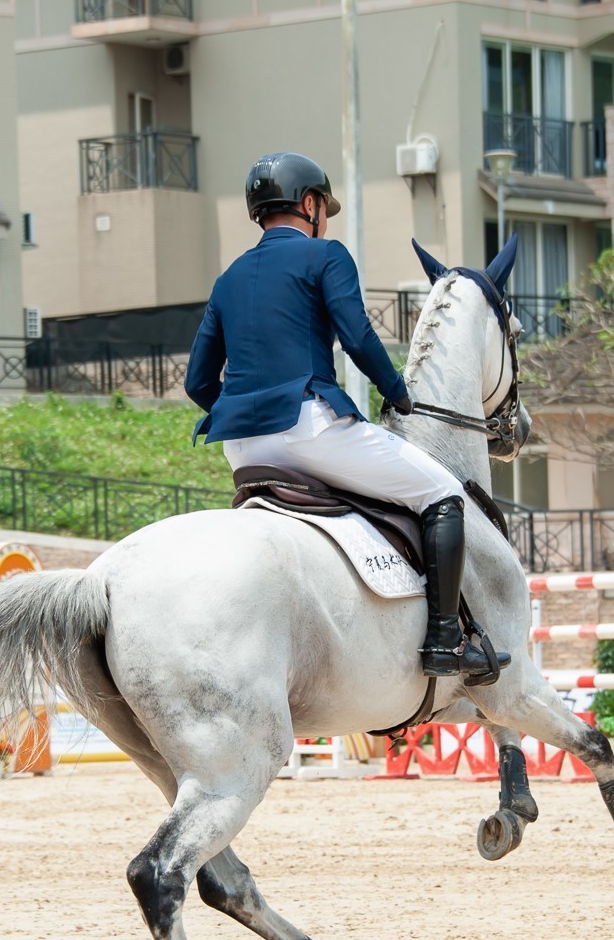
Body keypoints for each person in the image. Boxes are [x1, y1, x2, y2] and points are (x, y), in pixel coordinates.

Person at [184, 151, 509, 681]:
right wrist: (396, 391)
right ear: (309, 204)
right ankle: (445, 643)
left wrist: (243, 413)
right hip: (311, 430)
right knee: (443, 493)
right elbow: (357, 336)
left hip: (242, 450)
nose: (326, 219)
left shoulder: (229, 278)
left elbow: (198, 381)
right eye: (324, 208)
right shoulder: (326, 255)